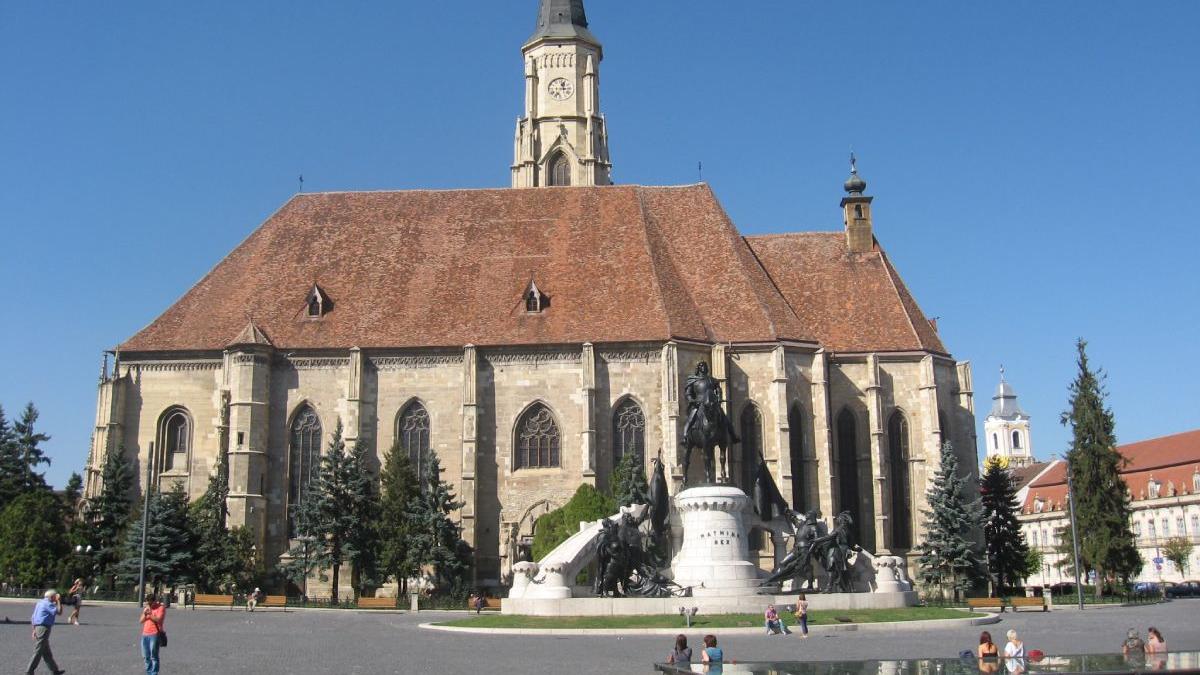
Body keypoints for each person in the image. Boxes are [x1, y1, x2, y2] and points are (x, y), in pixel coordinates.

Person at [27, 589, 65, 675]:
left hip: (38, 627)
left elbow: (33, 617)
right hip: (44, 628)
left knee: (46, 651)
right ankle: (29, 671)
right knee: (38, 650)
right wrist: (59, 601)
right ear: (52, 597)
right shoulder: (48, 604)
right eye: (55, 596)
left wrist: (34, 629)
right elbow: (59, 612)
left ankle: (54, 670)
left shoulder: (40, 602)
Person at [140, 594, 167, 675]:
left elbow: (158, 619)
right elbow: (140, 621)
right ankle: (148, 673)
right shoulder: (147, 608)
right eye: (148, 602)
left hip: (154, 634)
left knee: (153, 656)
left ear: (155, 600)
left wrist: (150, 614)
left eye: (151, 602)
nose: (149, 604)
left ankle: (154, 673)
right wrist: (145, 613)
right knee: (146, 656)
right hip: (145, 634)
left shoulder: (161, 608)